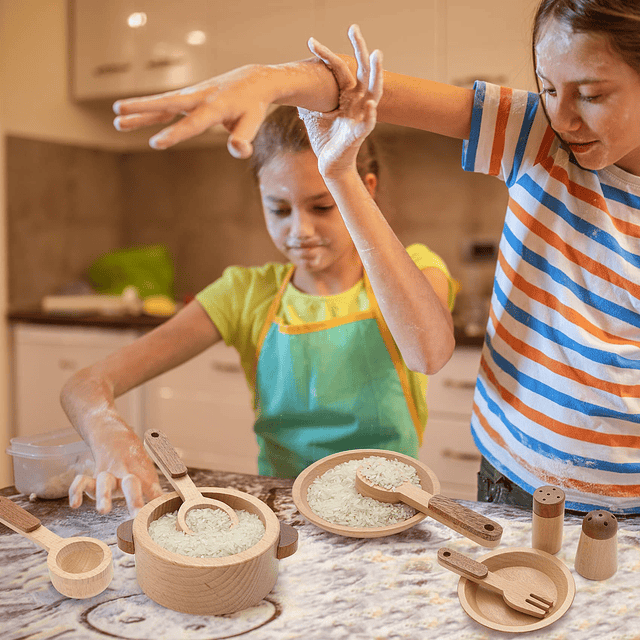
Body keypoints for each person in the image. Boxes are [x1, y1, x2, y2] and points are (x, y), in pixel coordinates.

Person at [111, 1, 640, 516]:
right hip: (515, 477)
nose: (563, 115)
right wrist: (265, 80)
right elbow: (358, 91)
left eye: (591, 94)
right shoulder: (537, 135)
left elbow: (427, 353)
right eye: (547, 87)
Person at [62, 30, 456, 516]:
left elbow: (431, 353)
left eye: (322, 205)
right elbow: (83, 386)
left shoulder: (413, 268)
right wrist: (107, 432)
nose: (301, 230)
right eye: (280, 209)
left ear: (365, 189)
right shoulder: (245, 294)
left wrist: (342, 176)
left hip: (393, 507)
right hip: (283, 513)